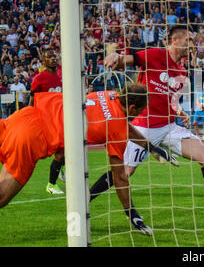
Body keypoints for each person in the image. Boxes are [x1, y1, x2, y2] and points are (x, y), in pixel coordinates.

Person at [104, 25, 204, 217]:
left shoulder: (181, 71)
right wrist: (115, 56)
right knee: (124, 173)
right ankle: (86, 197)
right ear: (175, 40)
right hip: (144, 126)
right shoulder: (155, 55)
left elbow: (171, 98)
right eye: (189, 40)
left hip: (168, 127)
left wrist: (180, 111)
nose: (192, 44)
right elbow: (126, 60)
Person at [0, 83, 174, 236]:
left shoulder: (111, 94)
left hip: (22, 116)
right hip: (30, 138)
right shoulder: (116, 127)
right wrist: (131, 212)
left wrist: (151, 148)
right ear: (132, 108)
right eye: (140, 112)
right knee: (2, 198)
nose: (139, 116)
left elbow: (123, 125)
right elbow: (119, 176)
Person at [29, 50, 65, 194]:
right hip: (49, 120)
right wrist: (32, 115)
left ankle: (61, 171)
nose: (53, 59)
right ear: (43, 61)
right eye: (49, 57)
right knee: (60, 153)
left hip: (63, 116)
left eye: (54, 56)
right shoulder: (39, 79)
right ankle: (51, 184)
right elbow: (33, 100)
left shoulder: (63, 73)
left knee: (67, 150)